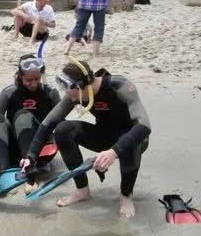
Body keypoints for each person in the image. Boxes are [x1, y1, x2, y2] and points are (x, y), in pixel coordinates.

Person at [22, 59, 151, 218]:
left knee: (130, 142)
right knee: (63, 130)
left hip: (133, 138)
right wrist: (31, 156)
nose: (70, 96)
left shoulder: (120, 86)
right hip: (105, 135)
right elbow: (49, 122)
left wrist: (113, 152)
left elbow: (144, 126)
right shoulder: (76, 91)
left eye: (72, 91)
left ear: (84, 85)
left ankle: (126, 195)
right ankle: (82, 190)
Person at [0, 54, 60, 191]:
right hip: (16, 148)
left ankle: (31, 175)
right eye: (29, 80)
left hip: (40, 149)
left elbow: (62, 125)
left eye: (37, 79)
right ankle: (3, 172)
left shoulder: (51, 93)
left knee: (22, 115)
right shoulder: (9, 93)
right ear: (20, 76)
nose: (33, 83)